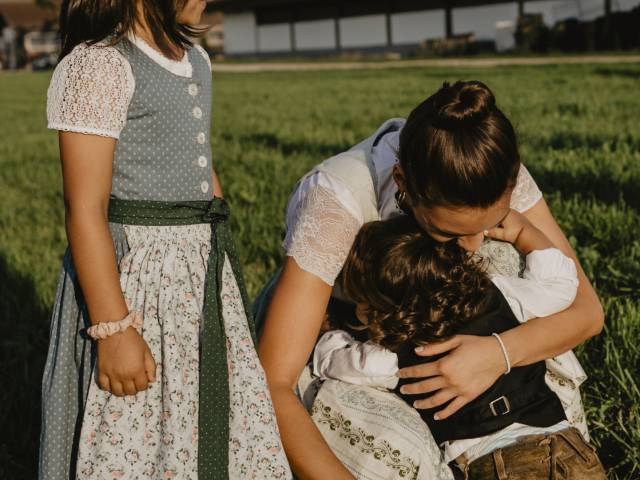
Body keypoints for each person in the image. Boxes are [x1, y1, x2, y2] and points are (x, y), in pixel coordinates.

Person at [255, 80, 603, 479]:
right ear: (402, 184)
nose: (472, 246)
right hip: (356, 340)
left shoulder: (485, 165)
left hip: (479, 351)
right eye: (450, 233)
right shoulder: (337, 199)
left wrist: (497, 353)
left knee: (505, 259)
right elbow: (273, 384)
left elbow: (587, 311)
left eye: (490, 223)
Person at [39, 1, 291, 478]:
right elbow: (85, 210)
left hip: (196, 272)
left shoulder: (193, 57)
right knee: (140, 416)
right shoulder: (100, 65)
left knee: (209, 397)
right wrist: (113, 329)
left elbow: (202, 162)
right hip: (137, 281)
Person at [314, 212, 606, 479]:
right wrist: (525, 233)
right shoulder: (501, 295)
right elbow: (560, 283)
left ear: (381, 309)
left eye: (361, 302)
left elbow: (332, 360)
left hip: (499, 465)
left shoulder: (393, 356)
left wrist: (330, 326)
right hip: (567, 445)